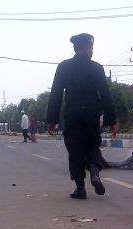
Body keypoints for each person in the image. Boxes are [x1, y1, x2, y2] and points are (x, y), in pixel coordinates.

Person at [46, 33, 117, 200]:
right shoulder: (97, 68)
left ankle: (80, 188)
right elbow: (106, 95)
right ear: (86, 48)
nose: (92, 51)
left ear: (74, 48)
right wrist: (111, 120)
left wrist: (52, 120)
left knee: (75, 149)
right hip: (92, 115)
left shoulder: (64, 66)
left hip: (72, 115)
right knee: (92, 145)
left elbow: (55, 94)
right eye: (92, 48)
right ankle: (94, 171)